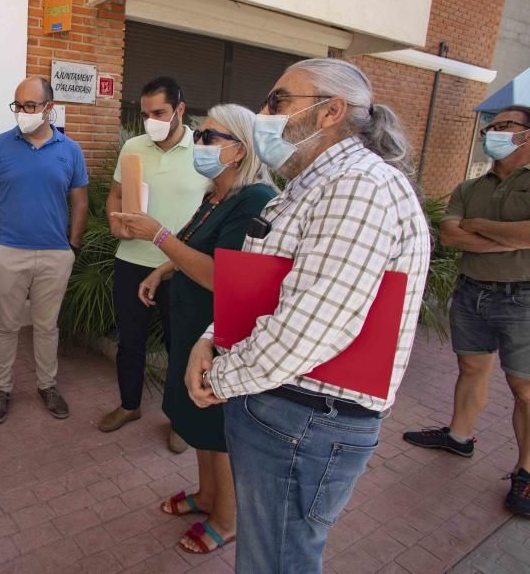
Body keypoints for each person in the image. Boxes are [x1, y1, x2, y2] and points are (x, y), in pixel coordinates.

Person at [185, 59, 431, 573]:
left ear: (331, 112)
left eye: (277, 101)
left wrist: (219, 375)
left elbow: (310, 327)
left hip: (305, 420)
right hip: (285, 409)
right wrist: (212, 338)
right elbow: (263, 283)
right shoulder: (314, 184)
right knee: (265, 555)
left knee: (276, 562)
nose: (262, 115)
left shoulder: (357, 187)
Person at [116, 104, 275, 554]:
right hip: (190, 326)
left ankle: (226, 520)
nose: (199, 144)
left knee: (217, 424)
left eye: (210, 138)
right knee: (197, 418)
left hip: (219, 332)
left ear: (240, 150)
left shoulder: (254, 200)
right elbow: (188, 247)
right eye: (201, 135)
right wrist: (160, 272)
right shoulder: (215, 195)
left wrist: (156, 235)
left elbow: (220, 274)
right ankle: (206, 496)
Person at [403, 104, 530, 517]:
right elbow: (450, 234)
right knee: (471, 369)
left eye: (503, 126)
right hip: (472, 291)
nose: (492, 132)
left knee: (524, 389)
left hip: (523, 297)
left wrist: (479, 225)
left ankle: (526, 471)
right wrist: (508, 238)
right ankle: (459, 437)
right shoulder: (470, 186)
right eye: (489, 127)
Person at [0, 76, 89, 424]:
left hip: (56, 254)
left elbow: (80, 202)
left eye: (29, 106)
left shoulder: (70, 150)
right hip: (8, 252)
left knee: (46, 326)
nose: (22, 113)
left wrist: (73, 246)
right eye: (17, 105)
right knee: (6, 326)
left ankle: (47, 385)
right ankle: (1, 389)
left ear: (48, 108)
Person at [100, 77, 209, 442]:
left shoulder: (204, 151)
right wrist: (116, 225)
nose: (151, 121)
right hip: (132, 260)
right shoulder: (133, 146)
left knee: (182, 345)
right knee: (130, 341)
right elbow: (115, 197)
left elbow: (215, 207)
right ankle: (129, 405)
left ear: (180, 109)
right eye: (145, 114)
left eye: (159, 112)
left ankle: (181, 421)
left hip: (181, 266)